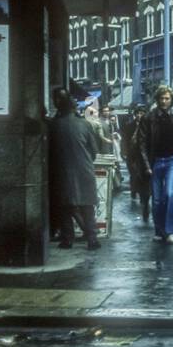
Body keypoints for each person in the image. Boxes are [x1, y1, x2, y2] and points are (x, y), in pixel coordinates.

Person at [48, 88, 102, 250]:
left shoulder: (54, 125)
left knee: (65, 206)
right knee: (87, 206)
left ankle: (67, 239)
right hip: (84, 169)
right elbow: (94, 150)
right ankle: (92, 239)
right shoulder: (85, 124)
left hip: (62, 171)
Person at [138, 85, 173, 244]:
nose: (164, 101)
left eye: (167, 98)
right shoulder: (149, 117)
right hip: (155, 161)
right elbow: (141, 143)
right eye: (162, 98)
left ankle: (170, 231)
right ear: (157, 99)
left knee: (169, 194)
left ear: (171, 99)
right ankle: (159, 230)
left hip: (172, 160)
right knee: (156, 199)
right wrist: (146, 165)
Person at [123, 104, 152, 222]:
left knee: (145, 181)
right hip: (133, 157)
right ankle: (136, 193)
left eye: (142, 113)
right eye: (138, 113)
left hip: (145, 158)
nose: (140, 115)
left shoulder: (149, 125)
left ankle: (144, 201)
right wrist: (124, 153)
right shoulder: (129, 126)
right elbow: (125, 140)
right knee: (135, 177)